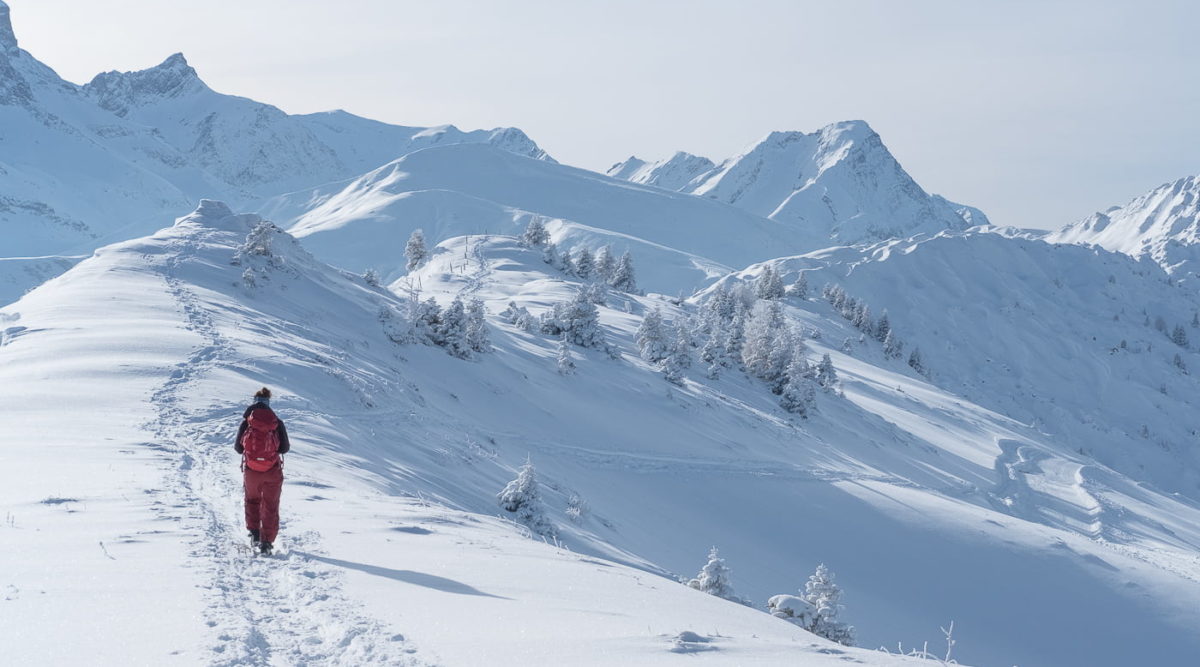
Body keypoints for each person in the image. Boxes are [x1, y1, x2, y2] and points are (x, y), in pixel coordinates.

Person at [234, 387, 290, 555]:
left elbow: (238, 448)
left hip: (251, 471)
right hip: (272, 470)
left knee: (252, 500)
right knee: (271, 505)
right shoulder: (276, 422)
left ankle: (254, 533)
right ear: (268, 402)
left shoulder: (247, 422)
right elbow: (285, 448)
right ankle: (267, 542)